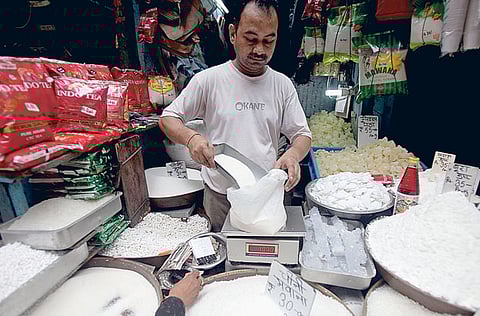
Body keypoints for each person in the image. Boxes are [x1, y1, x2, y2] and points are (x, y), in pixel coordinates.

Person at [160, 0, 312, 232]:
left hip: (266, 194)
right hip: (221, 197)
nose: (260, 50)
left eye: (268, 41)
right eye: (251, 39)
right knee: (225, 257)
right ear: (233, 33)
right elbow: (168, 118)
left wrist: (292, 154)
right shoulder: (208, 81)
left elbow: (302, 134)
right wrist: (192, 139)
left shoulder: (282, 85)